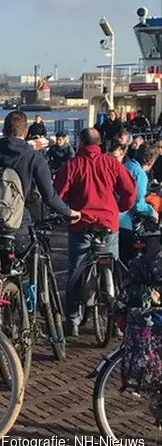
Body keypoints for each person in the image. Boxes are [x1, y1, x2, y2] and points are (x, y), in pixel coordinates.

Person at [53, 127, 135, 336]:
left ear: (80, 143)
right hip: (108, 222)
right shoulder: (111, 164)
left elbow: (57, 194)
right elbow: (129, 190)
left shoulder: (72, 165)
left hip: (82, 223)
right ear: (99, 144)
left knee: (76, 271)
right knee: (114, 268)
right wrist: (121, 207)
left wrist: (66, 211)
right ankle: (117, 319)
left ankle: (73, 318)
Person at [0, 111, 77, 255]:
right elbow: (49, 196)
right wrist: (68, 212)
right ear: (25, 132)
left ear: (3, 130)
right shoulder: (33, 156)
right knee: (28, 257)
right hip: (18, 223)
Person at [119, 144, 159, 265]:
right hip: (123, 220)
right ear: (151, 161)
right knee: (127, 259)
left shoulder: (126, 166)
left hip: (111, 215)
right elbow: (137, 204)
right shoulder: (140, 174)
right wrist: (152, 212)